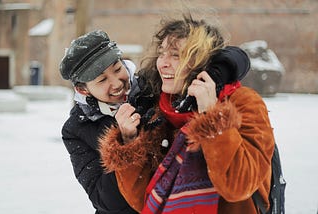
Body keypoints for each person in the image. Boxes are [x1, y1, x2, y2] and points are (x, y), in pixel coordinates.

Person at [98, 14, 275, 214]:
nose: (163, 63)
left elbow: (239, 186)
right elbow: (143, 201)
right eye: (162, 53)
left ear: (203, 62)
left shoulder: (243, 104)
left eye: (176, 55)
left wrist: (212, 117)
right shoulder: (161, 111)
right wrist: (129, 141)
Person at [59, 30, 138, 214]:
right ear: (83, 90)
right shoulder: (76, 130)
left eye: (118, 69)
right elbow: (106, 201)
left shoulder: (150, 91)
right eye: (102, 80)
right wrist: (126, 144)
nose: (117, 83)